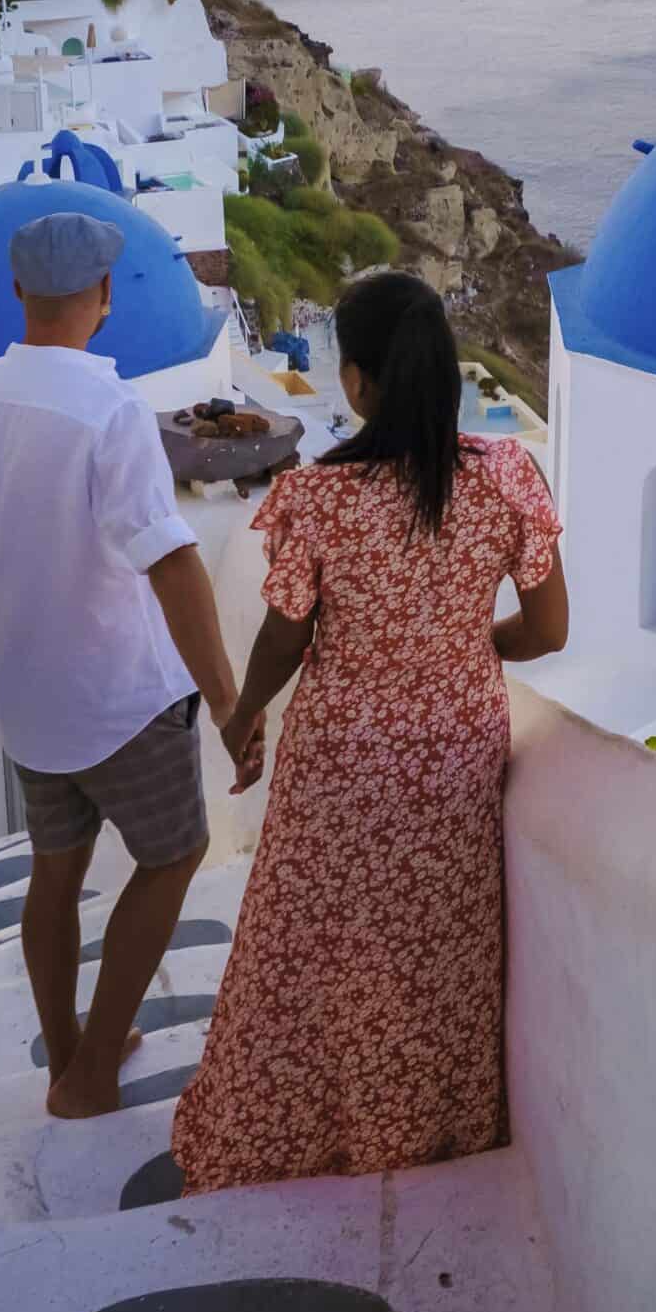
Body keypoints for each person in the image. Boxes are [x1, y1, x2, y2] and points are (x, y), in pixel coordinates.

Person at [171, 270, 566, 1192]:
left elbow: (285, 635)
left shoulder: (318, 498)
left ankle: (299, 1133)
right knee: (435, 954)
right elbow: (548, 633)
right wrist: (466, 646)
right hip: (455, 757)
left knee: (314, 949)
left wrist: (241, 715)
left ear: (353, 380)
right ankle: (430, 1130)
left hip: (341, 760)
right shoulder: (508, 476)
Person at [0, 209, 246, 1120]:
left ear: (21, 291)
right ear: (103, 296)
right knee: (175, 854)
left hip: (24, 695)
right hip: (119, 700)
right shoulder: (108, 412)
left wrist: (8, 638)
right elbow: (174, 560)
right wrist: (225, 700)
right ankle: (95, 1072)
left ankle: (67, 1048)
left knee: (56, 872)